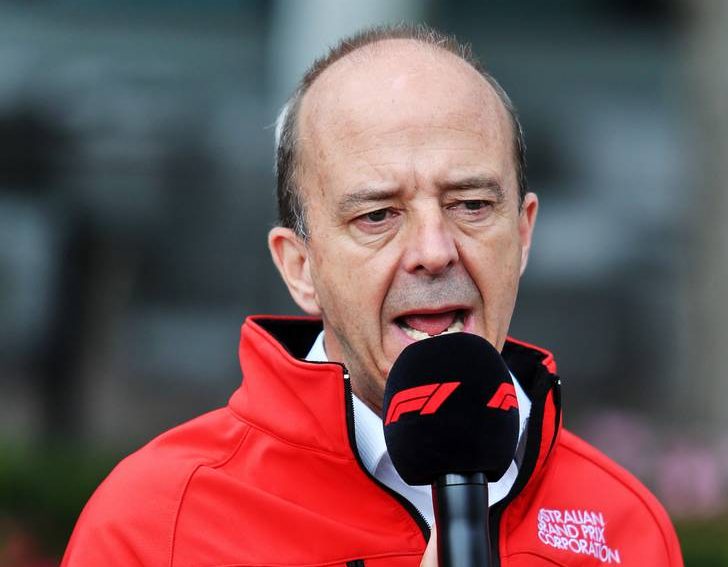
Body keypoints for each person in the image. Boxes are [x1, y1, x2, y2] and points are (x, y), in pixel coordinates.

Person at [62, 24, 683, 566]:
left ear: (522, 234)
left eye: (471, 205)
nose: (434, 250)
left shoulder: (624, 525)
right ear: (300, 267)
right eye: (379, 216)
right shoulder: (155, 524)